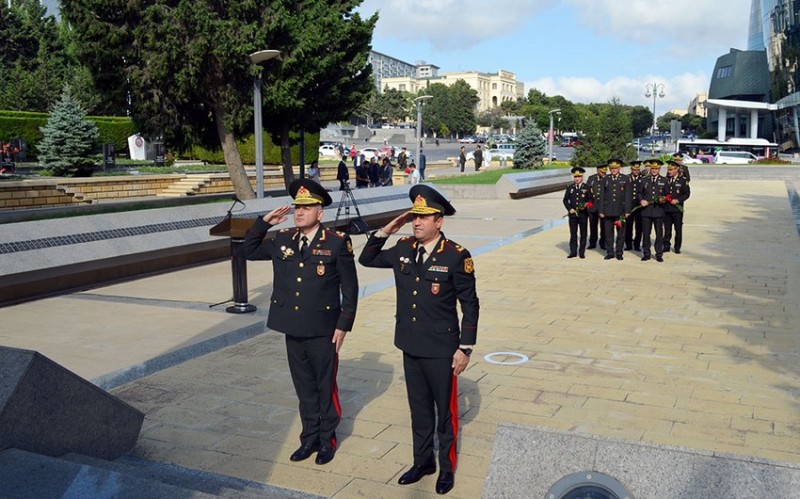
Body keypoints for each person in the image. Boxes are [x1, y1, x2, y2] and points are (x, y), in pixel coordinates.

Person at [358, 185, 479, 496]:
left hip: (442, 350)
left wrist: (465, 348)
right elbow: (367, 258)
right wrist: (387, 229)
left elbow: (470, 304)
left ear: (439, 221)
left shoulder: (456, 255)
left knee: (446, 413)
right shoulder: (403, 247)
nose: (417, 222)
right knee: (419, 410)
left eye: (424, 217)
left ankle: (447, 468)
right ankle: (422, 461)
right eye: (415, 216)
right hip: (410, 345)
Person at [242, 179, 358, 466]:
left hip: (323, 329)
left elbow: (351, 288)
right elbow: (247, 250)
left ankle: (327, 440)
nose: (299, 212)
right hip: (292, 327)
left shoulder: (336, 242)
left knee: (324, 386)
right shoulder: (283, 239)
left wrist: (343, 324)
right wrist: (263, 222)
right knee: (304, 387)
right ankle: (309, 439)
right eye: (297, 207)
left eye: (307, 208)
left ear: (320, 212)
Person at [597, 159, 631, 261]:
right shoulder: (605, 179)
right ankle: (610, 252)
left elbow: (628, 196)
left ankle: (619, 252)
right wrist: (601, 211)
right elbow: (601, 196)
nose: (614, 170)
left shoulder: (625, 179)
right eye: (612, 168)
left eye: (615, 168)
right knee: (608, 233)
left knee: (621, 234)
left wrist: (627, 210)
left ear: (619, 168)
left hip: (620, 211)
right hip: (607, 211)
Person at [637, 159, 669, 262]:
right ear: (650, 168)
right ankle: (646, 253)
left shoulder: (664, 180)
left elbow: (667, 194)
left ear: (659, 169)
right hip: (646, 211)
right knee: (646, 233)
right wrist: (641, 200)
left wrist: (663, 199)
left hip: (659, 211)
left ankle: (659, 253)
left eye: (656, 169)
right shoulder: (644, 180)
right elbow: (639, 192)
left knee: (659, 234)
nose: (654, 171)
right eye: (653, 168)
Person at [562, 166, 592, 259]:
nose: (577, 178)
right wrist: (569, 209)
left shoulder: (587, 187)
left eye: (579, 177)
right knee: (573, 233)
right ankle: (573, 252)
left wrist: (586, 205)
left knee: (583, 234)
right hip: (573, 215)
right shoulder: (570, 187)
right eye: (575, 177)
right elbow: (565, 200)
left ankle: (581, 252)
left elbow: (591, 199)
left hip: (583, 214)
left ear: (582, 177)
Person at [663, 160, 691, 254]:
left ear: (676, 170)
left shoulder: (683, 181)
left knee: (678, 229)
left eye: (671, 170)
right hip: (666, 209)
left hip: (677, 209)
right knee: (667, 229)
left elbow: (687, 194)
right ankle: (666, 246)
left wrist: (678, 200)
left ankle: (677, 247)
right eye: (668, 169)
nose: (669, 171)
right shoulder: (665, 180)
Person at [586, 164, 608, 251]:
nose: (604, 173)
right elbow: (587, 190)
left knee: (604, 226)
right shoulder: (591, 178)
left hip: (603, 206)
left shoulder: (607, 178)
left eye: (605, 172)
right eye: (602, 172)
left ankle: (603, 243)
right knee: (593, 226)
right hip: (593, 206)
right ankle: (592, 243)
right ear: (598, 171)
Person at [625, 161, 644, 251]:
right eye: (634, 170)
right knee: (628, 225)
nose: (636, 171)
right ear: (631, 169)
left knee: (639, 226)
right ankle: (628, 244)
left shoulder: (643, 178)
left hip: (639, 206)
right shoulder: (627, 178)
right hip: (629, 205)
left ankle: (637, 244)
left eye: (638, 170)